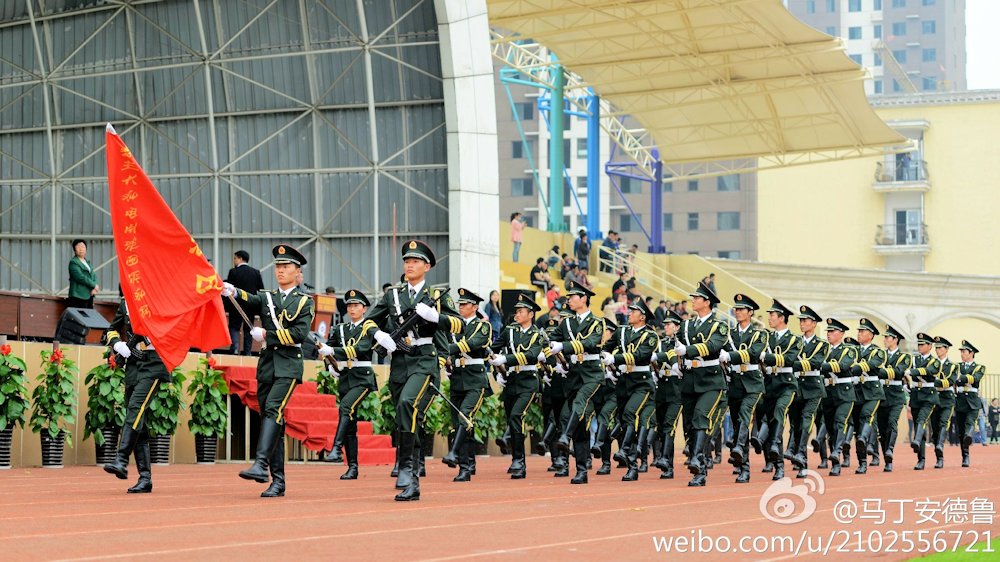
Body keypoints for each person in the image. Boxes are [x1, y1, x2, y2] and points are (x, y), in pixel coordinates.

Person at [363, 239, 462, 501]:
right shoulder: (393, 295)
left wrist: (435, 317)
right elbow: (369, 320)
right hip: (400, 363)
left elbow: (459, 324)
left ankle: (406, 468)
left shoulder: (438, 296)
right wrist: (380, 335)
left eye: (416, 261)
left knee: (408, 404)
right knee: (405, 416)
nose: (410, 265)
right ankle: (414, 482)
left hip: (425, 361)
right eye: (407, 261)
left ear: (427, 267)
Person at [222, 244, 315, 498]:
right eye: (278, 267)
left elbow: (300, 333)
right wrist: (232, 291)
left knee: (273, 410)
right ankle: (278, 480)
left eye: (286, 267)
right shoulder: (268, 297)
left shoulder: (305, 301)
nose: (280, 271)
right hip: (267, 366)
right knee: (273, 420)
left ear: (298, 272)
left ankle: (260, 464)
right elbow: (251, 300)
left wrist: (267, 335)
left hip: (288, 365)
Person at [102, 296, 169, 493]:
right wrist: (117, 344)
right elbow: (112, 329)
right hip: (133, 365)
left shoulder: (159, 298)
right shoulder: (127, 303)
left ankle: (121, 458)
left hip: (155, 363)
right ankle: (145, 478)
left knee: (135, 409)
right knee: (139, 421)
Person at [317, 289, 378, 479]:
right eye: (350, 306)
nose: (352, 309)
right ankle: (353, 467)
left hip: (362, 377)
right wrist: (329, 365)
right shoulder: (341, 328)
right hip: (345, 377)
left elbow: (362, 348)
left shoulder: (369, 327)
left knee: (346, 407)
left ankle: (335, 448)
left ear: (364, 308)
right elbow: (327, 351)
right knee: (350, 422)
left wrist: (333, 350)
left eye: (356, 306)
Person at [547, 280, 604, 484]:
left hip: (591, 373)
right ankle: (581, 470)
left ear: (584, 299)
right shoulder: (567, 323)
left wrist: (562, 346)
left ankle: (564, 436)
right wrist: (556, 359)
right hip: (573, 374)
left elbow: (589, 343)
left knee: (580, 403)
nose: (569, 299)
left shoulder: (597, 322)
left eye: (572, 297)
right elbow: (550, 342)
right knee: (580, 424)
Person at [674, 281, 728, 487]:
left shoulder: (719, 325)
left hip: (710, 380)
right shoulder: (687, 325)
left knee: (700, 417)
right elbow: (675, 346)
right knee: (689, 425)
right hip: (689, 379)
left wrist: (688, 351)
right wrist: (675, 362)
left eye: (696, 298)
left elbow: (713, 345)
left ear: (707, 302)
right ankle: (699, 464)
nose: (693, 301)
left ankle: (697, 461)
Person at [439, 289, 494, 482]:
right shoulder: (453, 327)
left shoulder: (482, 326)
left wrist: (447, 350)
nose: (461, 307)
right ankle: (468, 464)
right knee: (460, 424)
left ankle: (458, 459)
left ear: (475, 307)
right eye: (459, 304)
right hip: (457, 378)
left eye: (465, 304)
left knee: (465, 416)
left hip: (475, 379)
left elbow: (474, 343)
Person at [601, 298, 659, 481]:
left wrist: (615, 359)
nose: (629, 313)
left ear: (642, 317)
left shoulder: (650, 336)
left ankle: (625, 449)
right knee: (625, 421)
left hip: (641, 382)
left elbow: (640, 355)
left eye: (633, 311)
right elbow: (607, 348)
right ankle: (632, 465)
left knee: (629, 413)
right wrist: (604, 354)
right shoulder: (622, 331)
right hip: (624, 381)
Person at [490, 292, 545, 479]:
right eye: (516, 311)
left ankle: (519, 461)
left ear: (530, 314)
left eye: (521, 311)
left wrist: (505, 358)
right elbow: (494, 349)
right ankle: (516, 458)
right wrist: (497, 370)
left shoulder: (537, 335)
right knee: (512, 421)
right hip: (511, 381)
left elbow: (531, 355)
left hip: (529, 381)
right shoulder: (509, 330)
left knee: (516, 415)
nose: (517, 314)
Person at [719, 294, 766, 483]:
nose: (737, 312)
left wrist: (730, 355)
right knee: (739, 422)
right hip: (735, 383)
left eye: (741, 309)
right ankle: (743, 465)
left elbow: (754, 353)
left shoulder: (759, 334)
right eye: (736, 309)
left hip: (753, 382)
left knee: (745, 415)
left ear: (750, 312)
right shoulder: (729, 333)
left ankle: (738, 448)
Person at [754, 300, 802, 481]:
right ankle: (778, 465)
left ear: (782, 318)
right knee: (773, 422)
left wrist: (768, 357)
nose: (769, 318)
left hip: (786, 384)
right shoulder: (767, 338)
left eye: (772, 315)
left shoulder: (794, 339)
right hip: (769, 383)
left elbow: (789, 359)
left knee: (779, 411)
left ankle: (773, 443)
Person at [784, 305, 829, 479]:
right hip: (797, 386)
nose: (802, 323)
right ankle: (800, 459)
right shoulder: (795, 341)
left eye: (805, 320)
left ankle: (801, 454)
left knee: (806, 421)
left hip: (813, 387)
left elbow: (815, 363)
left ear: (814, 323)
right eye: (801, 320)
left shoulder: (821, 344)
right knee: (795, 424)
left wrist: (789, 363)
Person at [818, 318, 860, 476]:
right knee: (830, 428)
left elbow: (843, 366)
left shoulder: (848, 350)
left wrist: (820, 366)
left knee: (839, 422)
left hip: (844, 392)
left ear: (841, 334)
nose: (829, 334)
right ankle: (835, 454)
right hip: (828, 392)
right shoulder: (823, 350)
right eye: (828, 331)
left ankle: (836, 455)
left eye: (832, 331)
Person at [847, 318, 886, 474]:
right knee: (856, 425)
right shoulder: (852, 351)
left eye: (862, 332)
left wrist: (856, 367)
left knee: (866, 415)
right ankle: (862, 462)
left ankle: (864, 438)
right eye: (859, 331)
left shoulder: (877, 351)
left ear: (870, 335)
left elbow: (873, 364)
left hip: (872, 391)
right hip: (856, 391)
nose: (859, 334)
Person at [651, 310, 684, 479]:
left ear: (677, 327)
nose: (666, 327)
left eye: (669, 324)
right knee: (661, 425)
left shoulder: (681, 344)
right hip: (662, 388)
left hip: (676, 389)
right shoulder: (661, 343)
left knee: (669, 425)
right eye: (664, 324)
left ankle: (666, 460)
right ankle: (666, 464)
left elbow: (672, 357)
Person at [876, 324, 912, 472]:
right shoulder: (880, 354)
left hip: (896, 395)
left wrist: (881, 371)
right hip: (881, 394)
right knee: (882, 429)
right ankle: (886, 457)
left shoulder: (904, 357)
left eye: (887, 337)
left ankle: (889, 451)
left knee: (892, 423)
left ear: (895, 339)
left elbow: (898, 372)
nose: (884, 340)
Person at [906, 333, 941, 470]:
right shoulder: (913, 359)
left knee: (922, 420)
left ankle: (916, 440)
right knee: (917, 423)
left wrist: (912, 372)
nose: (919, 346)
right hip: (916, 396)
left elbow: (929, 371)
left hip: (929, 396)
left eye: (922, 344)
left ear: (930, 346)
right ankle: (921, 459)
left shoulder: (934, 361)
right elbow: (904, 372)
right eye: (918, 344)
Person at [225, 250, 265, 355]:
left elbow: (228, 289)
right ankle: (248, 352)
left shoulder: (233, 272)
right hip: (250, 305)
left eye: (235, 258)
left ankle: (235, 348)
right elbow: (261, 289)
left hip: (236, 305)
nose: (234, 261)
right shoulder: (255, 272)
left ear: (240, 258)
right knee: (249, 329)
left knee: (234, 327)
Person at [953, 340, 986, 467]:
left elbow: (976, 378)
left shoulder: (979, 367)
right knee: (960, 431)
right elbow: (953, 379)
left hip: (972, 399)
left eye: (964, 351)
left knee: (970, 422)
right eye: (961, 352)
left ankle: (969, 434)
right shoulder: (957, 367)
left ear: (971, 353)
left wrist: (961, 378)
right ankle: (965, 456)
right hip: (960, 399)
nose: (962, 354)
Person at [930, 336, 958, 469]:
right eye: (936, 348)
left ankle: (940, 448)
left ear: (946, 349)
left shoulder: (953, 366)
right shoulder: (931, 363)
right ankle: (938, 456)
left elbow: (949, 381)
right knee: (934, 429)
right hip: (933, 397)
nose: (937, 350)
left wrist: (930, 382)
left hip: (947, 398)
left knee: (943, 423)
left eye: (940, 348)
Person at [67, 239, 99, 308]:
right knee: (79, 318)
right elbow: (80, 277)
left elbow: (93, 275)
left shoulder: (87, 262)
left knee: (88, 317)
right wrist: (94, 285)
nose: (81, 249)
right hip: (78, 296)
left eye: (83, 247)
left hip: (89, 295)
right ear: (74, 250)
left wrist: (94, 287)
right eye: (78, 247)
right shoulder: (74, 262)